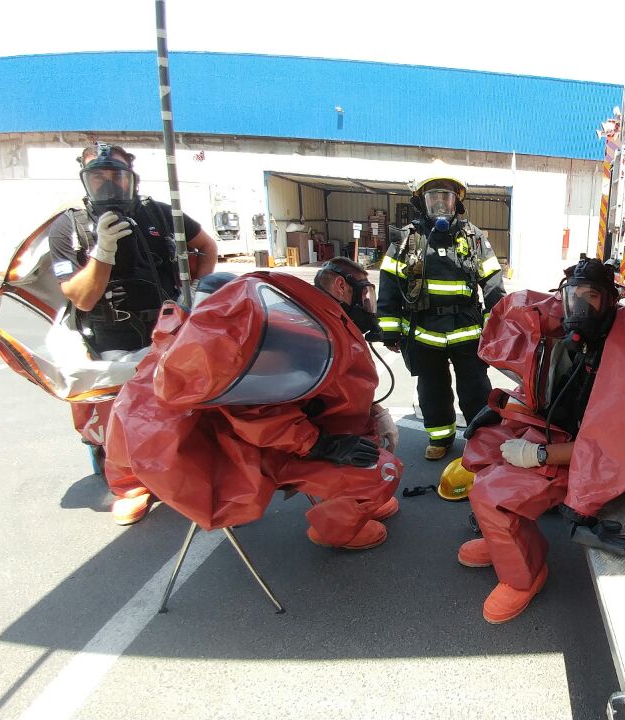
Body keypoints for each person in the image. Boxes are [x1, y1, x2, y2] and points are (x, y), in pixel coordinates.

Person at [104, 261, 402, 550]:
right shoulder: (257, 349)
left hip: (289, 440)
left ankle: (353, 500)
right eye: (364, 293)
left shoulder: (311, 323)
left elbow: (336, 393)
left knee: (367, 448)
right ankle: (335, 530)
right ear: (342, 286)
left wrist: (375, 412)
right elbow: (259, 417)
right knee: (383, 469)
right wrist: (322, 445)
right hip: (260, 452)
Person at [458, 258, 625, 624]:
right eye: (573, 297)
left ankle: (524, 577)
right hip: (571, 437)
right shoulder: (577, 344)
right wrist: (502, 407)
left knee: (492, 495)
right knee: (483, 446)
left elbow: (611, 448)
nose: (579, 308)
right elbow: (545, 392)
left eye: (590, 297)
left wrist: (538, 454)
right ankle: (501, 539)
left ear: (611, 301)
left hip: (598, 462)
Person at [48, 142, 218, 524]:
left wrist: (193, 290)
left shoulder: (160, 214)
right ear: (85, 179)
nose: (109, 183)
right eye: (98, 176)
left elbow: (206, 246)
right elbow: (82, 297)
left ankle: (179, 472)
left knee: (177, 405)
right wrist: (102, 252)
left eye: (116, 175)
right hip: (109, 338)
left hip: (165, 328)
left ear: (131, 176)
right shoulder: (70, 227)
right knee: (118, 415)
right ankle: (128, 484)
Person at [376, 176, 505, 461]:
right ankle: (440, 437)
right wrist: (389, 328)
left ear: (456, 202)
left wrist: (495, 325)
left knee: (475, 387)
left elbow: (494, 284)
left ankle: (480, 436)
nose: (439, 203)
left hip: (467, 330)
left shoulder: (474, 238)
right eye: (433, 196)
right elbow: (388, 284)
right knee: (432, 389)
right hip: (423, 331)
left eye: (445, 197)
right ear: (421, 202)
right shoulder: (406, 239)